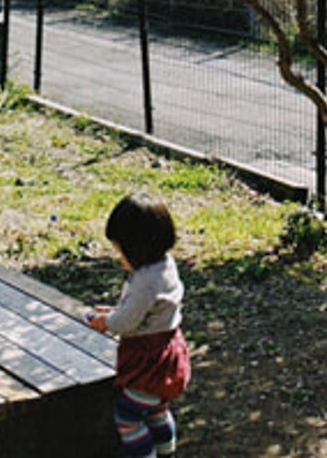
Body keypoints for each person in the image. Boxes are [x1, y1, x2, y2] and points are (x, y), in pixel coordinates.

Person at [88, 193, 192, 458]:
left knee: (128, 417)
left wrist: (106, 322)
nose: (119, 258)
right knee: (157, 410)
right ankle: (167, 452)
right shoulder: (165, 265)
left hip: (149, 364)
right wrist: (116, 310)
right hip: (168, 353)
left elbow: (127, 322)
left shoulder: (144, 281)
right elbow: (151, 311)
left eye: (120, 251)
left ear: (137, 248)